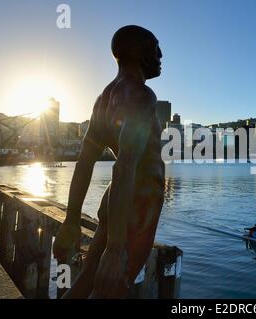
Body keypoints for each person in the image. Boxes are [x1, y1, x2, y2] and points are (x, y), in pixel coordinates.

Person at [52, 25, 165, 299]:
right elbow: (125, 164)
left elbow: (84, 163)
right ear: (139, 52)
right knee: (112, 288)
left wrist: (71, 220)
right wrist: (115, 248)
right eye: (155, 48)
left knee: (87, 281)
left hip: (114, 201)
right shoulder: (142, 95)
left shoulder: (103, 100)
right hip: (139, 205)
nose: (160, 55)